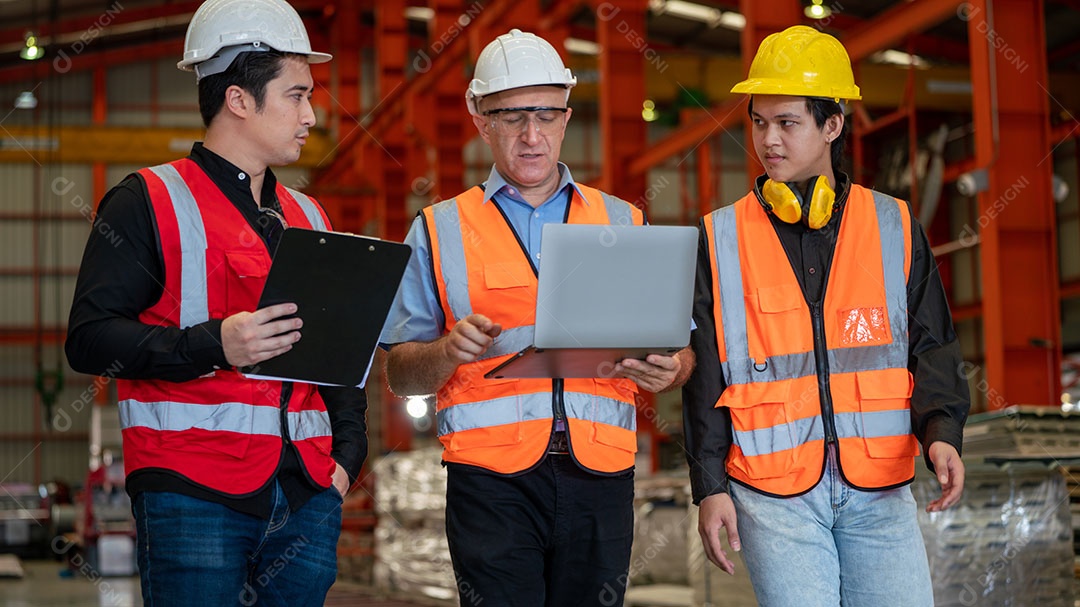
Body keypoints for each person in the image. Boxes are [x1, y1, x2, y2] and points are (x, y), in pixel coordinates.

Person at [65, 0, 367, 604]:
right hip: (190, 493)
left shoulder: (309, 216)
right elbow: (89, 339)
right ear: (238, 99)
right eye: (296, 95)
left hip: (307, 494)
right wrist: (214, 343)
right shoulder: (146, 200)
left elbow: (336, 360)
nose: (312, 114)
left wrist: (346, 462)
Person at [380, 28, 694, 607]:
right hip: (489, 483)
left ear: (567, 118)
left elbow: (682, 353)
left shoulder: (621, 220)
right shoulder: (438, 230)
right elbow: (401, 376)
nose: (531, 135)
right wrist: (447, 351)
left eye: (546, 115)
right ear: (480, 119)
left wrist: (668, 369)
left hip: (599, 475)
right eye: (512, 116)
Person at [682, 25, 970, 606]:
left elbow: (932, 344)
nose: (769, 140)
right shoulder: (719, 239)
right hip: (771, 496)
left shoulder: (893, 226)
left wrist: (942, 433)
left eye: (787, 123)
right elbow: (706, 375)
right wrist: (709, 487)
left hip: (881, 490)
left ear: (832, 125)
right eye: (759, 122)